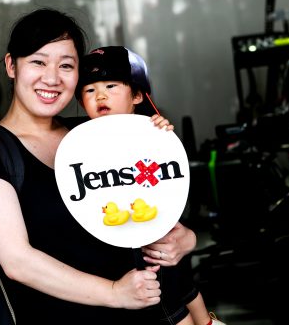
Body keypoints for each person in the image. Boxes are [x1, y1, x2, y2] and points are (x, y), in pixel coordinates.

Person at [0, 8, 197, 323]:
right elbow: (18, 262)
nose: (51, 78)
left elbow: (150, 210)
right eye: (38, 62)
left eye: (66, 65)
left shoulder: (97, 131)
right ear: (12, 65)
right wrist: (113, 293)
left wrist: (183, 240)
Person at [76, 45, 226, 325]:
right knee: (169, 296)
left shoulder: (152, 130)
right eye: (89, 90)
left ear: (136, 95)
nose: (101, 95)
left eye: (110, 86)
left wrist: (160, 134)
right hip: (124, 241)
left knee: (180, 281)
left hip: (158, 227)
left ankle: (206, 321)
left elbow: (171, 175)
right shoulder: (82, 143)